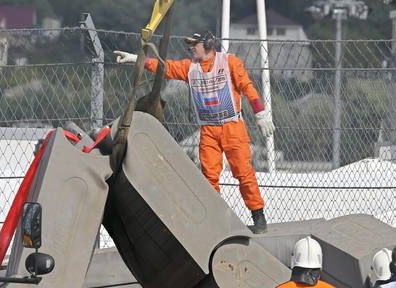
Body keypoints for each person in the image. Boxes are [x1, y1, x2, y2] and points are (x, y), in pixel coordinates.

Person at [114, 31, 275, 234]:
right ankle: (216, 221)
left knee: (244, 173)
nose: (191, 48)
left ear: (208, 44)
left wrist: (260, 114)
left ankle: (258, 216)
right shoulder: (190, 68)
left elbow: (248, 88)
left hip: (232, 128)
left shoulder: (229, 63)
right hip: (208, 130)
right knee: (208, 178)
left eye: (195, 44)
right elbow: (165, 68)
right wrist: (138, 60)